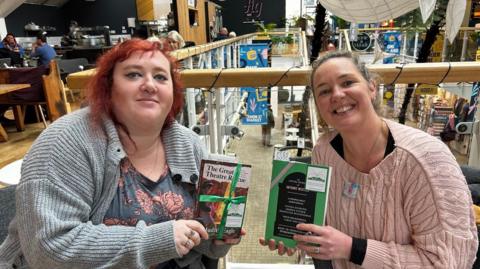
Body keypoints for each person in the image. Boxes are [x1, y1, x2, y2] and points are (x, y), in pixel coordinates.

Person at [0, 38, 243, 269]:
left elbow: (201, 238)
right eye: (133, 74)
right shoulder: (65, 141)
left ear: (173, 93)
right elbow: (48, 249)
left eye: (160, 77)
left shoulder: (187, 143)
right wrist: (158, 240)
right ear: (108, 87)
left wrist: (216, 240)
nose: (149, 84)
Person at [260, 51, 478, 268]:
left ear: (372, 88)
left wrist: (351, 248)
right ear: (317, 104)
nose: (336, 95)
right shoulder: (323, 152)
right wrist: (294, 235)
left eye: (347, 82)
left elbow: (449, 262)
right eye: (324, 91)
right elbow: (324, 225)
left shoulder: (426, 160)